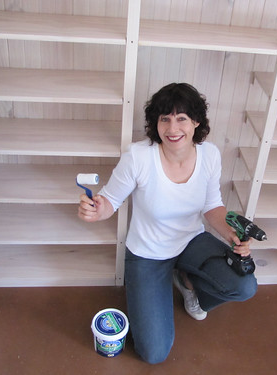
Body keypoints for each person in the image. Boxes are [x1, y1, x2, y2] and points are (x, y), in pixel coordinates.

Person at [78, 83, 257, 364]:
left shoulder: (209, 155)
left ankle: (189, 286)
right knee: (154, 353)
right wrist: (95, 210)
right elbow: (109, 201)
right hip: (147, 253)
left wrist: (234, 236)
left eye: (182, 118)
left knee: (244, 286)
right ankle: (172, 281)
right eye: (165, 119)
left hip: (190, 242)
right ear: (156, 123)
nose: (173, 129)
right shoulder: (138, 157)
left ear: (196, 122)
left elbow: (212, 207)